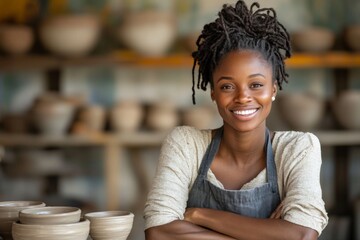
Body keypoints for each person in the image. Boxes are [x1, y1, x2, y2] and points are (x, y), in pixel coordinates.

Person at [144, 1, 328, 239]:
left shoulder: (297, 149)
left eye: (256, 85)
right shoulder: (186, 145)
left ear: (273, 89)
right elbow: (158, 233)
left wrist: (199, 215)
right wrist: (269, 233)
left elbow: (302, 235)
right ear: (213, 93)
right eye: (227, 86)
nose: (243, 97)